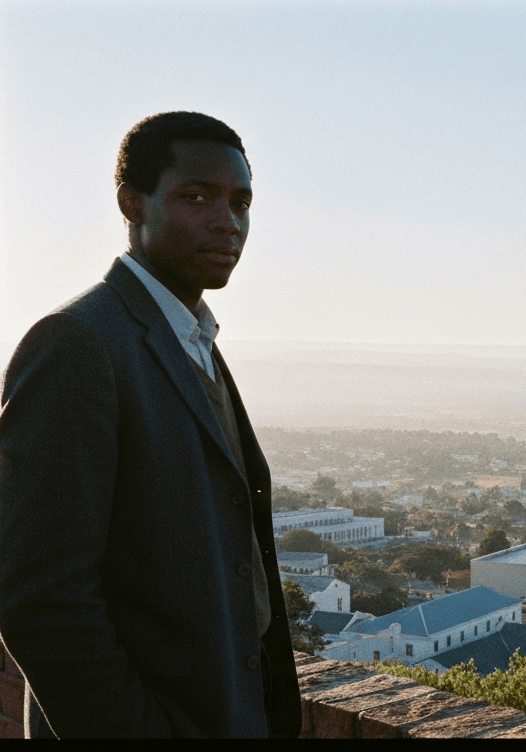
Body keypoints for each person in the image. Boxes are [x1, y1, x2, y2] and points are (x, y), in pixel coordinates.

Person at [0, 112, 301, 737]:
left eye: (241, 202)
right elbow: (40, 600)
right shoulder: (77, 344)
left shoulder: (194, 339)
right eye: (197, 197)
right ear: (131, 204)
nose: (228, 221)